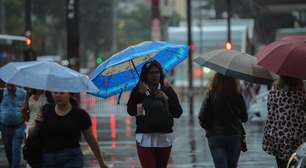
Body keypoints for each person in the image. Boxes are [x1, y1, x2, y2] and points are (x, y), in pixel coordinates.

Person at [127, 60, 183, 168]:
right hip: (144, 137)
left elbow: (178, 112)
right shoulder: (139, 90)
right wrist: (139, 94)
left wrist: (166, 98)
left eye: (157, 72)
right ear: (145, 75)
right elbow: (131, 111)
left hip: (164, 138)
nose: (155, 75)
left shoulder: (166, 89)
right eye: (151, 73)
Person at [31, 91, 108, 168]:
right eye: (55, 92)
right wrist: (37, 123)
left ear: (70, 94)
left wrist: (101, 162)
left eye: (62, 93)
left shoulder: (80, 114)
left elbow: (90, 139)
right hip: (49, 158)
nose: (58, 95)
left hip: (72, 158)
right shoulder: (46, 110)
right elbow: (31, 133)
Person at [198, 73, 248, 168]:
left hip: (215, 136)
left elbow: (202, 116)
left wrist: (208, 128)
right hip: (234, 135)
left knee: (220, 165)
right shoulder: (237, 95)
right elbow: (245, 117)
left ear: (215, 80)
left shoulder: (210, 94)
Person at [262, 75, 306, 168]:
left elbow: (270, 109)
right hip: (297, 137)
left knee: (281, 164)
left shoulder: (274, 90)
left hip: (278, 136)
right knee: (297, 164)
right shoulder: (301, 92)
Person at [0, 83, 27, 168]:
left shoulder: (23, 93)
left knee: (16, 149)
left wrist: (25, 109)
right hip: (4, 126)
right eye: (8, 85)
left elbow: (28, 107)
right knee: (8, 150)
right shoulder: (1, 93)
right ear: (6, 84)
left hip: (19, 125)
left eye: (12, 85)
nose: (10, 88)